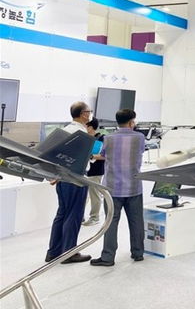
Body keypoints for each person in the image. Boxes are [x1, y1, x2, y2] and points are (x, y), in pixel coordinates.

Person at [90, 109, 146, 266]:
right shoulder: (140, 137)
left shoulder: (108, 138)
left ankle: (108, 257)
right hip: (134, 186)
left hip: (112, 188)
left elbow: (103, 155)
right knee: (136, 221)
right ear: (131, 122)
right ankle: (138, 253)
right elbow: (141, 151)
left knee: (110, 222)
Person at [45, 102, 93, 264]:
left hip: (63, 178)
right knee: (74, 215)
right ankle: (69, 252)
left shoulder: (65, 130)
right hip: (75, 179)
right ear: (84, 114)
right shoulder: (81, 133)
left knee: (62, 214)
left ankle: (53, 252)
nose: (90, 114)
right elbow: (80, 159)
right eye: (89, 111)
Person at [83, 117, 104, 226]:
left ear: (90, 127)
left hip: (96, 171)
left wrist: (91, 156)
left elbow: (105, 155)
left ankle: (95, 217)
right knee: (83, 195)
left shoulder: (102, 139)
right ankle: (80, 216)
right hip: (84, 171)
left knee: (94, 194)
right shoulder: (86, 139)